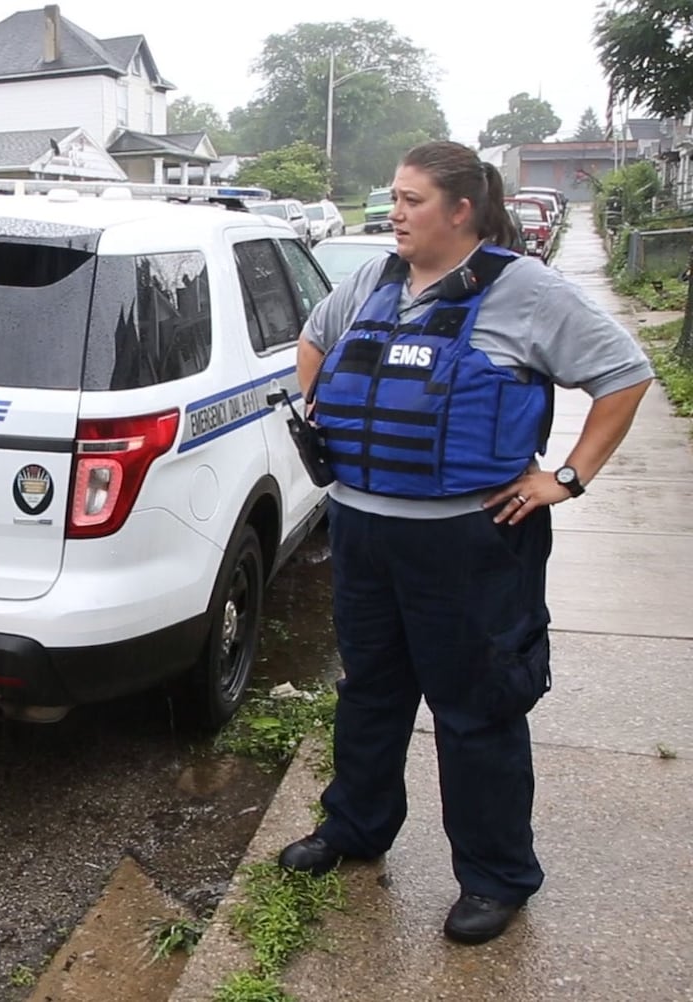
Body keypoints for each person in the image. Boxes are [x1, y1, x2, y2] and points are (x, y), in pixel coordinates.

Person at [277, 140, 652, 945]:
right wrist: (327, 411)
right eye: (394, 197)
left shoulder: (528, 292)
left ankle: (495, 877)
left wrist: (567, 477)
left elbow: (624, 373)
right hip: (364, 530)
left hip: (472, 543)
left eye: (412, 200)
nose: (395, 213)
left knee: (477, 712)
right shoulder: (372, 280)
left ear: (462, 211)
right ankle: (354, 827)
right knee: (370, 692)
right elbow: (315, 338)